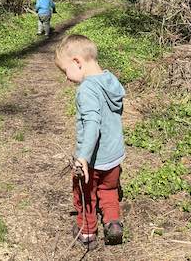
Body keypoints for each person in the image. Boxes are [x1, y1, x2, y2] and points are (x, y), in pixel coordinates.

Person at [54, 35, 125, 247]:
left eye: (65, 71)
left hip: (93, 161)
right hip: (114, 157)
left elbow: (93, 123)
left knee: (85, 193)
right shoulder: (111, 81)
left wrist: (83, 157)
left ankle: (87, 232)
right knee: (109, 189)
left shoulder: (86, 89)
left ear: (77, 62)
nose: (66, 78)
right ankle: (113, 224)